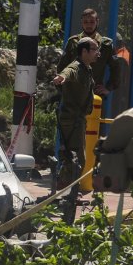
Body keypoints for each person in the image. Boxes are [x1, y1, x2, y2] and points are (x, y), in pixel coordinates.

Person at [52, 36, 98, 190]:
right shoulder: (76, 67)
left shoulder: (87, 69)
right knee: (77, 159)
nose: (97, 53)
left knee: (72, 157)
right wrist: (61, 77)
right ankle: (69, 192)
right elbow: (68, 72)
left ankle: (65, 189)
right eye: (94, 49)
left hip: (77, 119)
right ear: (84, 51)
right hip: (72, 119)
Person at [57, 9, 120, 98]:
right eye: (85, 22)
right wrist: (65, 90)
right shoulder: (73, 42)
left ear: (97, 22)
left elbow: (116, 67)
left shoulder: (105, 45)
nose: (89, 25)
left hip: (94, 95)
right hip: (74, 95)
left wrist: (108, 88)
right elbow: (61, 67)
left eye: (92, 22)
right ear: (81, 22)